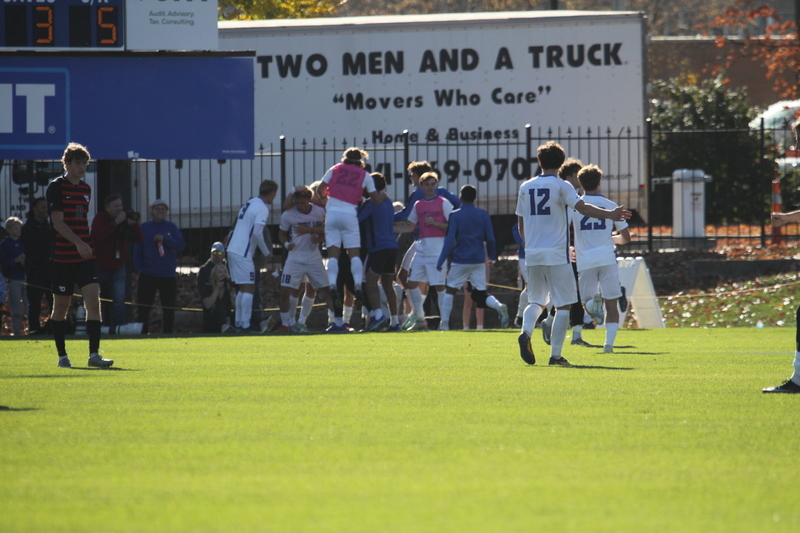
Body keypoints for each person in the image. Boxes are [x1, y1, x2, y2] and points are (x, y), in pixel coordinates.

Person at [516, 141, 630, 366]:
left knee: (536, 301)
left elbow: (521, 224)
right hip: (557, 254)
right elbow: (583, 208)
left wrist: (531, 246)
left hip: (533, 253)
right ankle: (555, 356)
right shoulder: (562, 186)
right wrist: (611, 215)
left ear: (539, 162)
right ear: (561, 163)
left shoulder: (525, 187)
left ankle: (526, 333)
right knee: (564, 305)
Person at [46, 143, 113, 368]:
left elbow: (81, 220)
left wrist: (84, 245)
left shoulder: (86, 189)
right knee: (61, 307)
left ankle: (94, 355)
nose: (82, 166)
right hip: (63, 257)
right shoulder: (56, 187)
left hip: (85, 255)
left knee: (93, 302)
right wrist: (78, 243)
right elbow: (58, 223)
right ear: (67, 164)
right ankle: (62, 356)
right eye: (78, 163)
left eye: (85, 162)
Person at [570, 164, 631, 354]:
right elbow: (626, 237)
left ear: (580, 184)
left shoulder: (574, 206)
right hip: (606, 257)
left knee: (587, 305)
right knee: (611, 303)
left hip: (584, 260)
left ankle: (592, 303)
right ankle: (608, 345)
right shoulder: (611, 206)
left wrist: (569, 247)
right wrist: (615, 239)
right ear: (599, 182)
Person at [437, 185, 508, 331]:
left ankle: (444, 325)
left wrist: (440, 260)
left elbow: (449, 241)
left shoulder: (455, 215)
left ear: (460, 197)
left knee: (450, 291)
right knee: (480, 294)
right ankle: (498, 306)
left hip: (460, 260)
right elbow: (491, 239)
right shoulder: (483, 215)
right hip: (478, 260)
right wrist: (493, 257)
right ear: (475, 198)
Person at [320, 147, 385, 302]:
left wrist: (326, 203)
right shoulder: (365, 175)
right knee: (353, 254)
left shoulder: (335, 169)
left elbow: (319, 189)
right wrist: (383, 197)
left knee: (333, 254)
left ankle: (332, 284)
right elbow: (375, 199)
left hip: (332, 213)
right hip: (350, 214)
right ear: (361, 161)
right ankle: (357, 283)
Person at [396, 171, 453, 331]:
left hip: (437, 250)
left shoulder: (443, 203)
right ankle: (420, 318)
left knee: (439, 286)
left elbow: (452, 226)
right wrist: (391, 227)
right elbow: (410, 225)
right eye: (426, 184)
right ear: (420, 186)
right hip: (421, 249)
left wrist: (436, 223)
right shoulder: (418, 205)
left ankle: (445, 323)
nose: (430, 187)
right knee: (411, 282)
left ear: (436, 185)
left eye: (432, 184)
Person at [277, 186, 336, 332]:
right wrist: (285, 244)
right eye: (298, 204)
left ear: (309, 200)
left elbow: (327, 229)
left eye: (304, 203)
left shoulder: (319, 212)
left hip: (313, 258)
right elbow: (281, 234)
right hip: (295, 258)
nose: (301, 207)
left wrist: (316, 235)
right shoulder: (289, 215)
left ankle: (337, 321)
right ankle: (286, 324)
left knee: (326, 290)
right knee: (286, 291)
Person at [226, 179, 278, 332]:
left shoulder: (250, 203)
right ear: (273, 193)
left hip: (233, 249)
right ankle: (246, 325)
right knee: (249, 288)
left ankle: (240, 323)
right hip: (243, 251)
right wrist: (266, 251)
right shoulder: (262, 208)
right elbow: (257, 232)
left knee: (242, 288)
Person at [91, 193, 144, 332]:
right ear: (107, 208)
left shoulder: (125, 218)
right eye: (115, 206)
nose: (119, 209)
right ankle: (95, 327)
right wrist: (116, 223)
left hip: (118, 265)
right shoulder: (100, 219)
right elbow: (100, 235)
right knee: (94, 297)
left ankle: (118, 329)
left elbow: (139, 238)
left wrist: (134, 225)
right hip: (100, 265)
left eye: (120, 205)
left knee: (119, 299)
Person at [134, 199, 186, 334]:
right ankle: (142, 333)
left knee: (168, 308)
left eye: (163, 209)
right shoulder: (144, 228)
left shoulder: (172, 228)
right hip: (148, 274)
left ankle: (168, 333)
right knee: (143, 308)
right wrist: (138, 267)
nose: (160, 212)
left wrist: (166, 239)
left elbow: (181, 245)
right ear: (152, 211)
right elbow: (137, 249)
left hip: (167, 275)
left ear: (166, 212)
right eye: (157, 209)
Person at [357, 173, 399, 332]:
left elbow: (357, 219)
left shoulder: (372, 202)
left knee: (370, 283)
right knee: (388, 285)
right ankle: (395, 322)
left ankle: (378, 317)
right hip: (392, 247)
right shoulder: (387, 201)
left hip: (378, 248)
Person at [21, 197, 53, 335]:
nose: (46, 211)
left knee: (54, 301)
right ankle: (34, 329)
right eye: (42, 207)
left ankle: (54, 327)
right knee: (34, 303)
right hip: (35, 270)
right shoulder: (28, 228)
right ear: (34, 209)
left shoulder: (50, 226)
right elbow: (30, 248)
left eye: (47, 207)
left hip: (51, 269)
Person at [1, 216, 27, 335]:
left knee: (29, 306)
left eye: (19, 228)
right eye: (15, 228)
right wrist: (15, 260)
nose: (18, 230)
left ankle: (32, 330)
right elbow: (3, 262)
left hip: (26, 278)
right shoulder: (5, 244)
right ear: (9, 230)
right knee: (16, 308)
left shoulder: (24, 242)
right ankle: (17, 332)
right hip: (13, 279)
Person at [200, 263, 236, 333]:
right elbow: (208, 305)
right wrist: (216, 289)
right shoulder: (207, 288)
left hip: (228, 319)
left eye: (225, 272)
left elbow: (236, 307)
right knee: (219, 307)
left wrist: (232, 292)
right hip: (211, 322)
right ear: (214, 275)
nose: (223, 274)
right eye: (220, 272)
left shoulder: (228, 289)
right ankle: (224, 326)